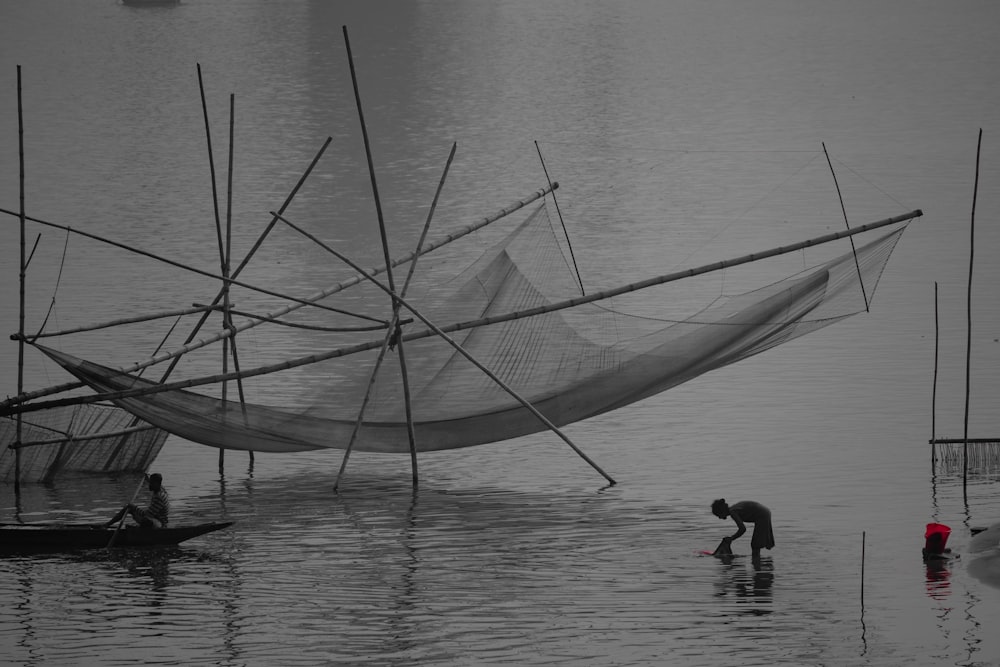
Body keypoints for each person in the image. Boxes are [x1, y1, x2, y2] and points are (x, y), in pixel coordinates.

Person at [104, 473, 170, 529]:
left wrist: (134, 507)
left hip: (160, 523)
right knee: (128, 508)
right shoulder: (161, 489)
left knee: (145, 521)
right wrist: (147, 478)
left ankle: (140, 533)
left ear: (156, 484)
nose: (149, 484)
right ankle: (106, 525)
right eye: (150, 482)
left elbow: (147, 514)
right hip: (155, 519)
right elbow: (158, 484)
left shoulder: (159, 497)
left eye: (151, 483)